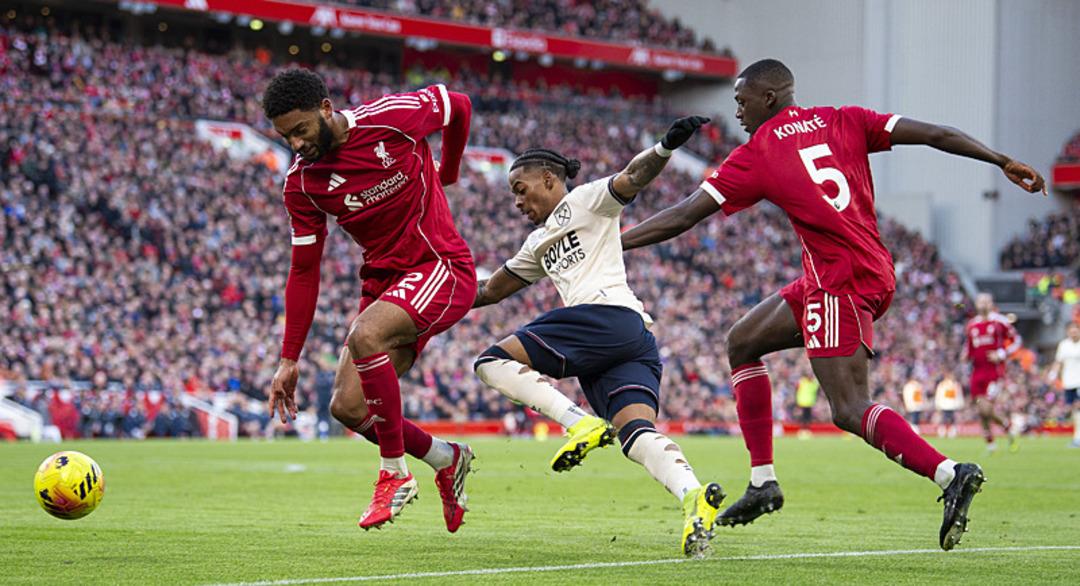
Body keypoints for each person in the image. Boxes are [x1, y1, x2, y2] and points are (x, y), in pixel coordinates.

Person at [620, 58, 1046, 550]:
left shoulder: (758, 152)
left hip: (839, 283)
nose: (736, 110)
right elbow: (936, 134)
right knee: (741, 342)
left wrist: (617, 242)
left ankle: (951, 474)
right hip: (864, 269)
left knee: (848, 408)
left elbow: (685, 214)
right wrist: (1000, 160)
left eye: (742, 100)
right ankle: (763, 483)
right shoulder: (845, 119)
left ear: (771, 98)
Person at [471, 117, 727, 556]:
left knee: (490, 362)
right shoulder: (535, 244)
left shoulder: (588, 201)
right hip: (628, 340)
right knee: (635, 434)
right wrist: (424, 301)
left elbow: (632, 176)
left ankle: (579, 424)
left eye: (519, 188)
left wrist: (665, 146)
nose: (516, 201)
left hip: (605, 317)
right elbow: (490, 291)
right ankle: (694, 497)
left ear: (549, 180)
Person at [262, 69, 476, 531]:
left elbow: (458, 104)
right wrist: (289, 358)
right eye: (285, 137)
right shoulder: (301, 185)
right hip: (385, 284)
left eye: (300, 130)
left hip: (441, 266)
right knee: (348, 407)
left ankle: (393, 475)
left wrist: (448, 173)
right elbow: (303, 270)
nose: (295, 144)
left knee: (366, 334)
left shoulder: (391, 119)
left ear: (325, 109)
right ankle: (447, 457)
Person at [963, 293, 1021, 452]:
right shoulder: (972, 325)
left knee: (987, 408)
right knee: (982, 410)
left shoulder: (999, 322)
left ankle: (1006, 429)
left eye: (986, 301)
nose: (982, 304)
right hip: (977, 372)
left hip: (994, 372)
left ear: (991, 303)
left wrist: (1001, 354)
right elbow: (970, 347)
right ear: (976, 304)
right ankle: (992, 442)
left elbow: (1017, 341)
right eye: (980, 301)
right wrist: (965, 355)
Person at [1048, 322, 1080, 447]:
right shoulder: (1064, 345)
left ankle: (1077, 437)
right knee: (1073, 410)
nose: (1073, 333)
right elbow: (1058, 362)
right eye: (1071, 331)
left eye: (1075, 330)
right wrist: (1053, 374)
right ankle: (1077, 436)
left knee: (1078, 408)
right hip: (1068, 382)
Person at [934, 373, 964, 438]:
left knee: (951, 419)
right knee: (944, 419)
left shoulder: (955, 385)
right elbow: (939, 395)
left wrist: (960, 404)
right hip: (945, 405)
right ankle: (942, 432)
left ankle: (950, 432)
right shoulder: (942, 385)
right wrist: (938, 404)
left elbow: (958, 395)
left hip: (952, 405)